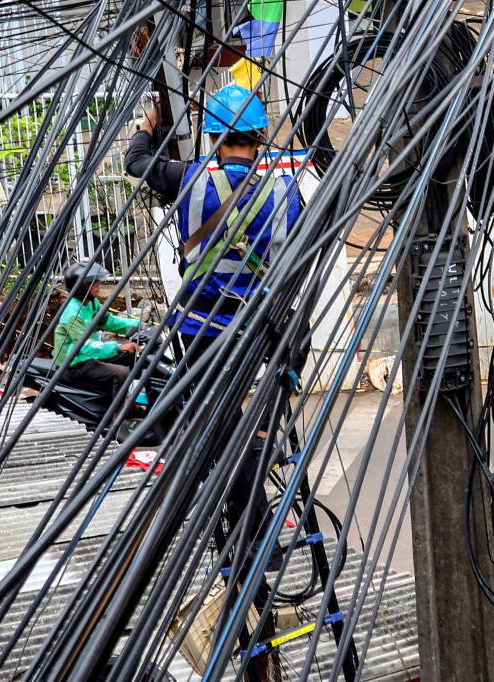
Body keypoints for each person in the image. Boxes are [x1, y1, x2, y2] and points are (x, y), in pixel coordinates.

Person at [124, 85, 301, 562]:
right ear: (259, 138)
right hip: (256, 329)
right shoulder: (284, 191)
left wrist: (150, 123)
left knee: (216, 424)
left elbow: (136, 161)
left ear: (214, 138)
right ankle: (264, 431)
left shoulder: (188, 178)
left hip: (199, 328)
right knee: (247, 406)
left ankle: (254, 529)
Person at [53, 262, 140, 402]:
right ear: (82, 288)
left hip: (88, 355)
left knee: (135, 357)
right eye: (93, 284)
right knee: (122, 373)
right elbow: (85, 346)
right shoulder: (73, 313)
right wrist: (118, 347)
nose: (99, 286)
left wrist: (139, 325)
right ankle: (119, 413)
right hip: (75, 363)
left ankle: (138, 399)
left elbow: (109, 322)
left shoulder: (91, 303)